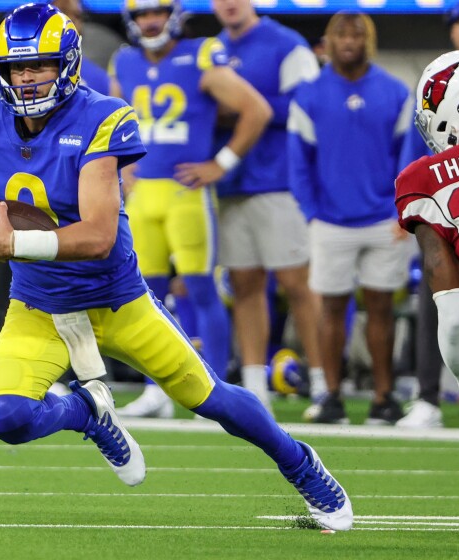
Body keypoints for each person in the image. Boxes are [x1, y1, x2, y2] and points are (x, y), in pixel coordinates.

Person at [0, 3, 353, 532]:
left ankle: (300, 463)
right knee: (4, 418)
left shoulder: (102, 116)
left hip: (115, 300)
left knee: (211, 399)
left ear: (69, 64)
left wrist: (19, 244)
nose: (27, 78)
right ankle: (86, 412)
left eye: (40, 65)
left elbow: (99, 237)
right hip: (39, 306)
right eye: (17, 67)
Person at [109, 0, 269, 417]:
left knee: (201, 290)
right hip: (143, 197)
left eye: (156, 11)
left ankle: (216, 391)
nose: (150, 21)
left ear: (173, 14)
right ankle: (155, 391)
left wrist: (222, 162)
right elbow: (108, 123)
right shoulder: (124, 61)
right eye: (142, 14)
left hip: (186, 195)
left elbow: (257, 109)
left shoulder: (199, 54)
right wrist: (120, 169)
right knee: (143, 297)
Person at [288, 12, 412, 425]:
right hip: (330, 220)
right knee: (331, 308)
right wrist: (311, 213)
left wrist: (403, 211)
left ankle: (384, 398)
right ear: (328, 40)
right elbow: (298, 164)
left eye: (357, 33)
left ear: (369, 40)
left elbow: (408, 158)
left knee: (381, 307)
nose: (349, 40)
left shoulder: (394, 91)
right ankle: (331, 396)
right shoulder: (309, 94)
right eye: (341, 32)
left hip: (384, 219)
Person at [212, 0, 325, 416]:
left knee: (298, 282)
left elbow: (309, 104)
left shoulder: (287, 43)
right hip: (232, 183)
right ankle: (255, 385)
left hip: (278, 181)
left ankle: (322, 381)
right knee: (243, 284)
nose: (228, 4)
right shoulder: (214, 48)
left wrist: (242, 105)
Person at [394, 1, 459, 428]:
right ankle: (426, 395)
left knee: (444, 299)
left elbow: (457, 326)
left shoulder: (424, 176)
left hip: (444, 210)